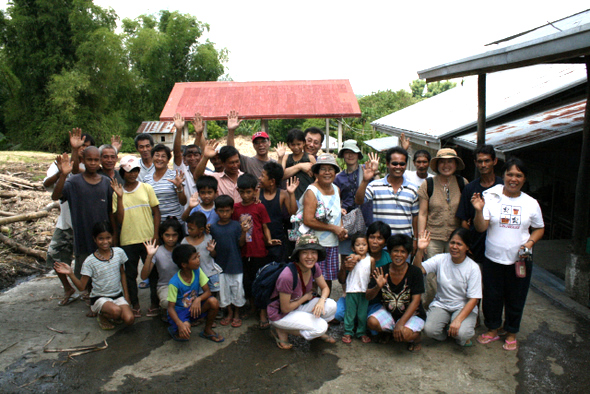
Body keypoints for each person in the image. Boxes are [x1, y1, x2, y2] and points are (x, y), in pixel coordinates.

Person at [471, 158, 544, 351]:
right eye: (510, 174)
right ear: (503, 176)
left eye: (518, 175)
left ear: (524, 178)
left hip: (519, 261)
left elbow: (539, 228)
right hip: (493, 258)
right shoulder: (492, 198)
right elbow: (481, 228)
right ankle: (493, 329)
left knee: (516, 297)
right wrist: (479, 211)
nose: (513, 179)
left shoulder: (531, 203)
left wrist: (529, 243)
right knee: (492, 296)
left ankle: (511, 332)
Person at [51, 147, 117, 303]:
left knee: (104, 270)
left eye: (96, 160)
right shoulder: (73, 182)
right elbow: (56, 195)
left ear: (100, 161)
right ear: (83, 161)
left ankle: (100, 300)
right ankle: (91, 298)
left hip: (103, 237)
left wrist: (114, 235)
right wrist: (63, 175)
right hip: (82, 236)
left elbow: (110, 212)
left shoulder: (106, 182)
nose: (93, 163)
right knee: (85, 269)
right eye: (89, 160)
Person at [54, 221, 134, 330]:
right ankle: (101, 315)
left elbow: (122, 273)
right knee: (116, 312)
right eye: (101, 238)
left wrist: (127, 297)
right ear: (94, 239)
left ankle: (112, 312)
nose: (105, 242)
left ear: (112, 237)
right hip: (99, 298)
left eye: (108, 238)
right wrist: (71, 274)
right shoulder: (90, 261)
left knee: (129, 319)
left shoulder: (119, 253)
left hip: (117, 295)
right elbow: (82, 287)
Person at [417, 148, 468, 307]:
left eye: (450, 161)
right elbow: (423, 213)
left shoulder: (462, 183)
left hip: (456, 237)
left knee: (455, 274)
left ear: (455, 164)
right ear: (437, 164)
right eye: (442, 162)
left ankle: (454, 309)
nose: (446, 165)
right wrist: (421, 238)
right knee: (432, 276)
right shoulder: (429, 184)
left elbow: (466, 212)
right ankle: (430, 307)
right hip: (433, 238)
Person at [414, 228, 482, 347]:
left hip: (463, 307)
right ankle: (447, 332)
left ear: (467, 247)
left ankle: (458, 333)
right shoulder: (441, 259)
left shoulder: (473, 268)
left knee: (462, 334)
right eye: (452, 242)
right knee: (429, 331)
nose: (454, 247)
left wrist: (458, 320)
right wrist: (420, 250)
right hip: (442, 304)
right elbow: (417, 271)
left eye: (459, 244)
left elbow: (474, 300)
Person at [267, 234, 337, 349]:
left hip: (297, 306)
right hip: (280, 313)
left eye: (313, 252)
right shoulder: (288, 275)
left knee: (331, 305)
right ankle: (282, 329)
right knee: (321, 327)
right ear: (298, 254)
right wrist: (305, 298)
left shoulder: (314, 267)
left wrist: (321, 301)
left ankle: (313, 329)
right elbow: (285, 308)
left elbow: (325, 288)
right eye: (305, 252)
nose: (310, 257)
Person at [113, 156, 161, 318]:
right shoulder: (117, 193)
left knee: (153, 272)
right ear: (122, 173)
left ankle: (154, 303)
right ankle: (135, 303)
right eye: (128, 172)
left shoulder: (146, 188)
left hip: (148, 238)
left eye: (135, 171)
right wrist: (119, 197)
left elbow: (156, 212)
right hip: (128, 240)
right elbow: (119, 219)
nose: (132, 174)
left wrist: (155, 234)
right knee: (130, 274)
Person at [232, 173, 279, 328]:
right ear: (238, 190)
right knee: (248, 281)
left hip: (259, 250)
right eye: (243, 192)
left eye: (249, 192)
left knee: (261, 282)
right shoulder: (235, 208)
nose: (246, 195)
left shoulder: (260, 206)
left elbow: (265, 226)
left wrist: (269, 240)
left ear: (255, 190)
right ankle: (252, 307)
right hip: (243, 252)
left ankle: (262, 311)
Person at [366, 234, 426, 352]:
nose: (399, 255)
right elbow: (368, 296)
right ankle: (388, 332)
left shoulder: (415, 272)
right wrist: (377, 287)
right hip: (390, 312)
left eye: (403, 252)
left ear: (408, 254)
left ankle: (416, 337)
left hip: (412, 314)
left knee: (404, 335)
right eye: (395, 251)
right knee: (372, 322)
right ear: (389, 252)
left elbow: (416, 301)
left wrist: (401, 324)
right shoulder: (382, 271)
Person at [302, 154, 347, 292]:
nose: (327, 172)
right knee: (313, 279)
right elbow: (308, 220)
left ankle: (325, 309)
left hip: (332, 244)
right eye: (323, 169)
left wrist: (341, 229)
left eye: (330, 169)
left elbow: (337, 214)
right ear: (316, 173)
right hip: (315, 244)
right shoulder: (312, 191)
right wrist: (334, 228)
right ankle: (312, 308)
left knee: (327, 280)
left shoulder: (336, 189)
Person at [355, 147, 419, 242]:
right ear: (387, 164)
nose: (398, 167)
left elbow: (415, 217)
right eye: (394, 163)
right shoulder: (374, 185)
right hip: (380, 244)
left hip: (404, 244)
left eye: (402, 164)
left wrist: (415, 239)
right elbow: (359, 201)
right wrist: (365, 181)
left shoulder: (413, 189)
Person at [335, 221, 393, 324]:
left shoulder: (388, 259)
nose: (374, 242)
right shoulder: (355, 256)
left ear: (385, 242)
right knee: (337, 313)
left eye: (379, 238)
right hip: (353, 299)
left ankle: (359, 320)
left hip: (374, 302)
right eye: (371, 237)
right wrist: (344, 267)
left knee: (374, 323)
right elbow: (341, 280)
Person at [166, 244, 223, 342]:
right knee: (185, 335)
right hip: (180, 313)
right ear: (184, 264)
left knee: (213, 301)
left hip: (194, 308)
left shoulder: (197, 271)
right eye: (194, 258)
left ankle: (207, 330)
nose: (198, 260)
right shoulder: (174, 283)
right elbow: (170, 308)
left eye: (197, 256)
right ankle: (176, 328)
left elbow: (208, 292)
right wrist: (180, 323)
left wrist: (198, 299)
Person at [456, 144, 503, 264]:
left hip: (500, 247)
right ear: (475, 163)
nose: (483, 165)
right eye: (480, 161)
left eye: (487, 161)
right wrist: (468, 245)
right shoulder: (470, 188)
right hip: (476, 247)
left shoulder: (503, 187)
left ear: (495, 161)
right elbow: (464, 220)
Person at [208, 195, 250, 328]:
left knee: (237, 290)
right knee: (224, 292)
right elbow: (213, 251)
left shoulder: (236, 226)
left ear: (232, 210)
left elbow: (241, 244)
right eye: (221, 211)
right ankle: (229, 313)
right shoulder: (213, 228)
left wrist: (244, 232)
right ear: (216, 211)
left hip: (236, 264)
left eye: (227, 211)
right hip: (220, 266)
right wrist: (211, 251)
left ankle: (236, 313)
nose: (224, 214)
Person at [334, 140, 377, 257]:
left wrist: (375, 172)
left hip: (366, 218)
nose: (350, 155)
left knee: (366, 258)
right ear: (343, 155)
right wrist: (340, 209)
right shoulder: (338, 178)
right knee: (346, 257)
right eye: (347, 152)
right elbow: (335, 198)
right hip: (348, 221)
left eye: (353, 152)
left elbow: (377, 188)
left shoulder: (366, 170)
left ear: (358, 155)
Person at [140, 217, 184, 317]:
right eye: (167, 235)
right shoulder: (157, 251)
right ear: (162, 235)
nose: (171, 238)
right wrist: (149, 256)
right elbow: (143, 276)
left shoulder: (182, 249)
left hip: (182, 285)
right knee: (168, 303)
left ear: (179, 235)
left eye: (174, 235)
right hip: (165, 286)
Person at [226, 110, 285, 179]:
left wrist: (280, 158)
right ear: (253, 146)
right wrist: (231, 131)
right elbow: (231, 152)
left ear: (269, 143)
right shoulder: (247, 162)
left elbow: (279, 179)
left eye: (263, 141)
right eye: (257, 143)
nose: (260, 145)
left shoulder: (274, 164)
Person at [259, 162, 298, 263]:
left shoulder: (283, 194)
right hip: (260, 240)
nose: (259, 178)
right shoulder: (257, 193)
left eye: (262, 176)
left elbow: (293, 214)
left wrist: (291, 194)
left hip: (278, 241)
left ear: (272, 181)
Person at [340, 233, 375, 344]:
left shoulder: (371, 260)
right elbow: (355, 258)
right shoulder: (351, 257)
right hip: (351, 290)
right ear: (352, 248)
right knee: (350, 313)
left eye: (364, 244)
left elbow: (372, 273)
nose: (361, 247)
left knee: (362, 314)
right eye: (358, 245)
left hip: (364, 291)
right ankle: (348, 332)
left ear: (368, 246)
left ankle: (361, 332)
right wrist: (357, 257)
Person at [143, 144, 186, 226]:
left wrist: (179, 187)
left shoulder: (174, 176)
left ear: (168, 160)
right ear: (152, 158)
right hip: (155, 224)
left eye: (163, 156)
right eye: (157, 155)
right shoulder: (146, 179)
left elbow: (183, 202)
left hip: (174, 223)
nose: (159, 159)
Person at [182, 212, 221, 300]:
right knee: (198, 294)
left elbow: (214, 255)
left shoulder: (208, 238)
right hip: (195, 275)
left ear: (201, 229)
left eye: (191, 229)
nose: (188, 231)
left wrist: (212, 250)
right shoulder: (185, 242)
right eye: (188, 228)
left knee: (213, 292)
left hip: (210, 272)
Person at [282, 128, 316, 201]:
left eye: (298, 144)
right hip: (292, 197)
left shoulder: (310, 158)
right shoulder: (286, 158)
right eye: (293, 145)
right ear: (288, 145)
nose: (296, 147)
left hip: (308, 197)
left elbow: (317, 177)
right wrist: (300, 166)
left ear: (304, 143)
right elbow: (281, 175)